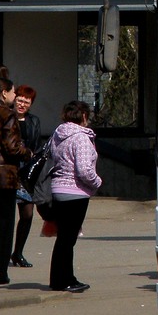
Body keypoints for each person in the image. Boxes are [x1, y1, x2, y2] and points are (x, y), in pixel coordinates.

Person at [47, 100, 103, 293]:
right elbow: (85, 171)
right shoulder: (81, 138)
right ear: (84, 116)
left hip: (57, 190)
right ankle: (66, 279)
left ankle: (58, 279)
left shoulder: (57, 135)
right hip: (75, 193)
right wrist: (97, 183)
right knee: (68, 239)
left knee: (63, 238)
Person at [0, 77, 31, 285]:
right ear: (4, 93)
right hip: (3, 177)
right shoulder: (7, 114)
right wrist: (28, 152)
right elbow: (12, 147)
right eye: (12, 93)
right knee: (2, 226)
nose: (14, 96)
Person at [10, 85, 42, 269]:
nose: (22, 104)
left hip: (26, 171)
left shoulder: (34, 121)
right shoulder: (6, 117)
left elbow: (37, 145)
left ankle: (18, 252)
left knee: (27, 213)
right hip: (9, 169)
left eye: (26, 102)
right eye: (20, 100)